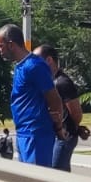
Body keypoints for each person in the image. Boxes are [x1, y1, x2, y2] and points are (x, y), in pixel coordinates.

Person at [0, 24, 68, 182]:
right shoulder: (20, 66)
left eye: (0, 46)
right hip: (25, 132)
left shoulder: (35, 66)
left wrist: (58, 126)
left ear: (11, 44)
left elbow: (54, 99)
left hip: (37, 132)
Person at [34, 45, 84, 173]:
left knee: (57, 173)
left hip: (63, 137)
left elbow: (76, 114)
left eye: (37, 59)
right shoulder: (50, 81)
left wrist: (71, 129)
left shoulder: (62, 82)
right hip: (55, 135)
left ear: (49, 60)